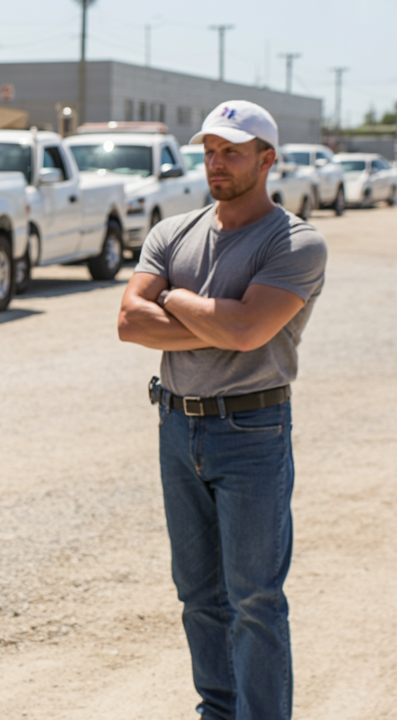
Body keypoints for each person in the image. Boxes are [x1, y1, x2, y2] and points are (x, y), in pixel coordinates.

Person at [118, 101, 327, 720]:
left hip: (253, 430)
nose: (216, 163)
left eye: (232, 151)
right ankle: (218, 708)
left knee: (255, 597)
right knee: (197, 594)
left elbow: (246, 333)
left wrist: (176, 299)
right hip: (177, 424)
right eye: (209, 150)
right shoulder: (172, 232)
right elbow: (131, 322)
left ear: (268, 160)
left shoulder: (296, 242)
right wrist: (221, 317)